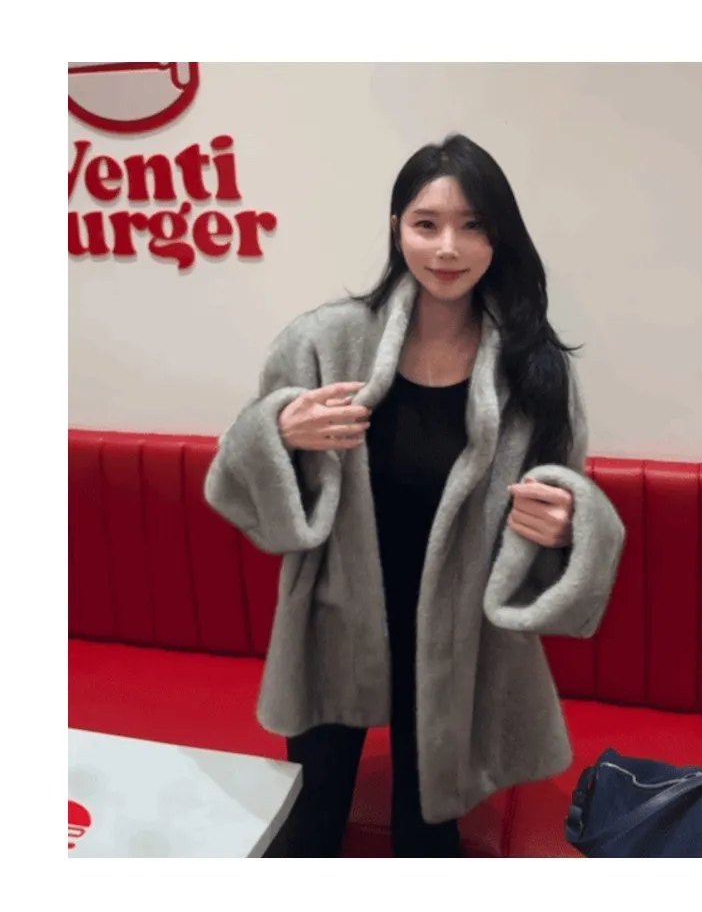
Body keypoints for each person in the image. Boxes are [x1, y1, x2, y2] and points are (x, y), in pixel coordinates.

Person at [204, 133, 625, 858]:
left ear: (499, 236)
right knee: (307, 824)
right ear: (398, 229)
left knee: (427, 836)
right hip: (334, 618)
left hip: (461, 638)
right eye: (427, 224)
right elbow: (234, 484)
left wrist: (570, 524)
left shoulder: (534, 368)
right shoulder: (322, 343)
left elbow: (567, 496)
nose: (447, 248)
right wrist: (276, 433)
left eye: (472, 225)